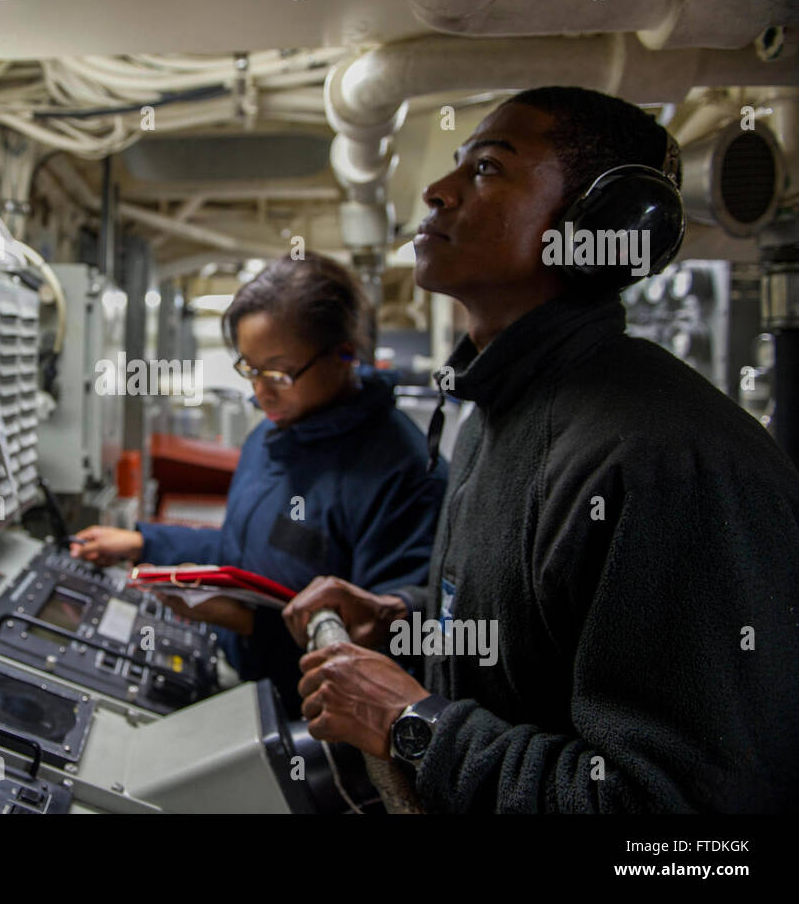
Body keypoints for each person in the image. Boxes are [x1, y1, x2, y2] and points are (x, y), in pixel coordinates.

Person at [284, 86, 799, 812]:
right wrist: (411, 625)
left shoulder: (663, 463)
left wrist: (412, 725)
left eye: (489, 169)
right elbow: (545, 636)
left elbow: (684, 823)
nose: (437, 191)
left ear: (599, 221)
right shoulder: (503, 411)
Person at [71, 253, 448, 714]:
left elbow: (390, 648)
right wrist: (144, 542)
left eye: (278, 373)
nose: (260, 392)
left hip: (310, 720)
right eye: (249, 369)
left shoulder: (401, 473)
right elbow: (240, 555)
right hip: (242, 677)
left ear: (345, 353)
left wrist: (249, 624)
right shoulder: (270, 436)